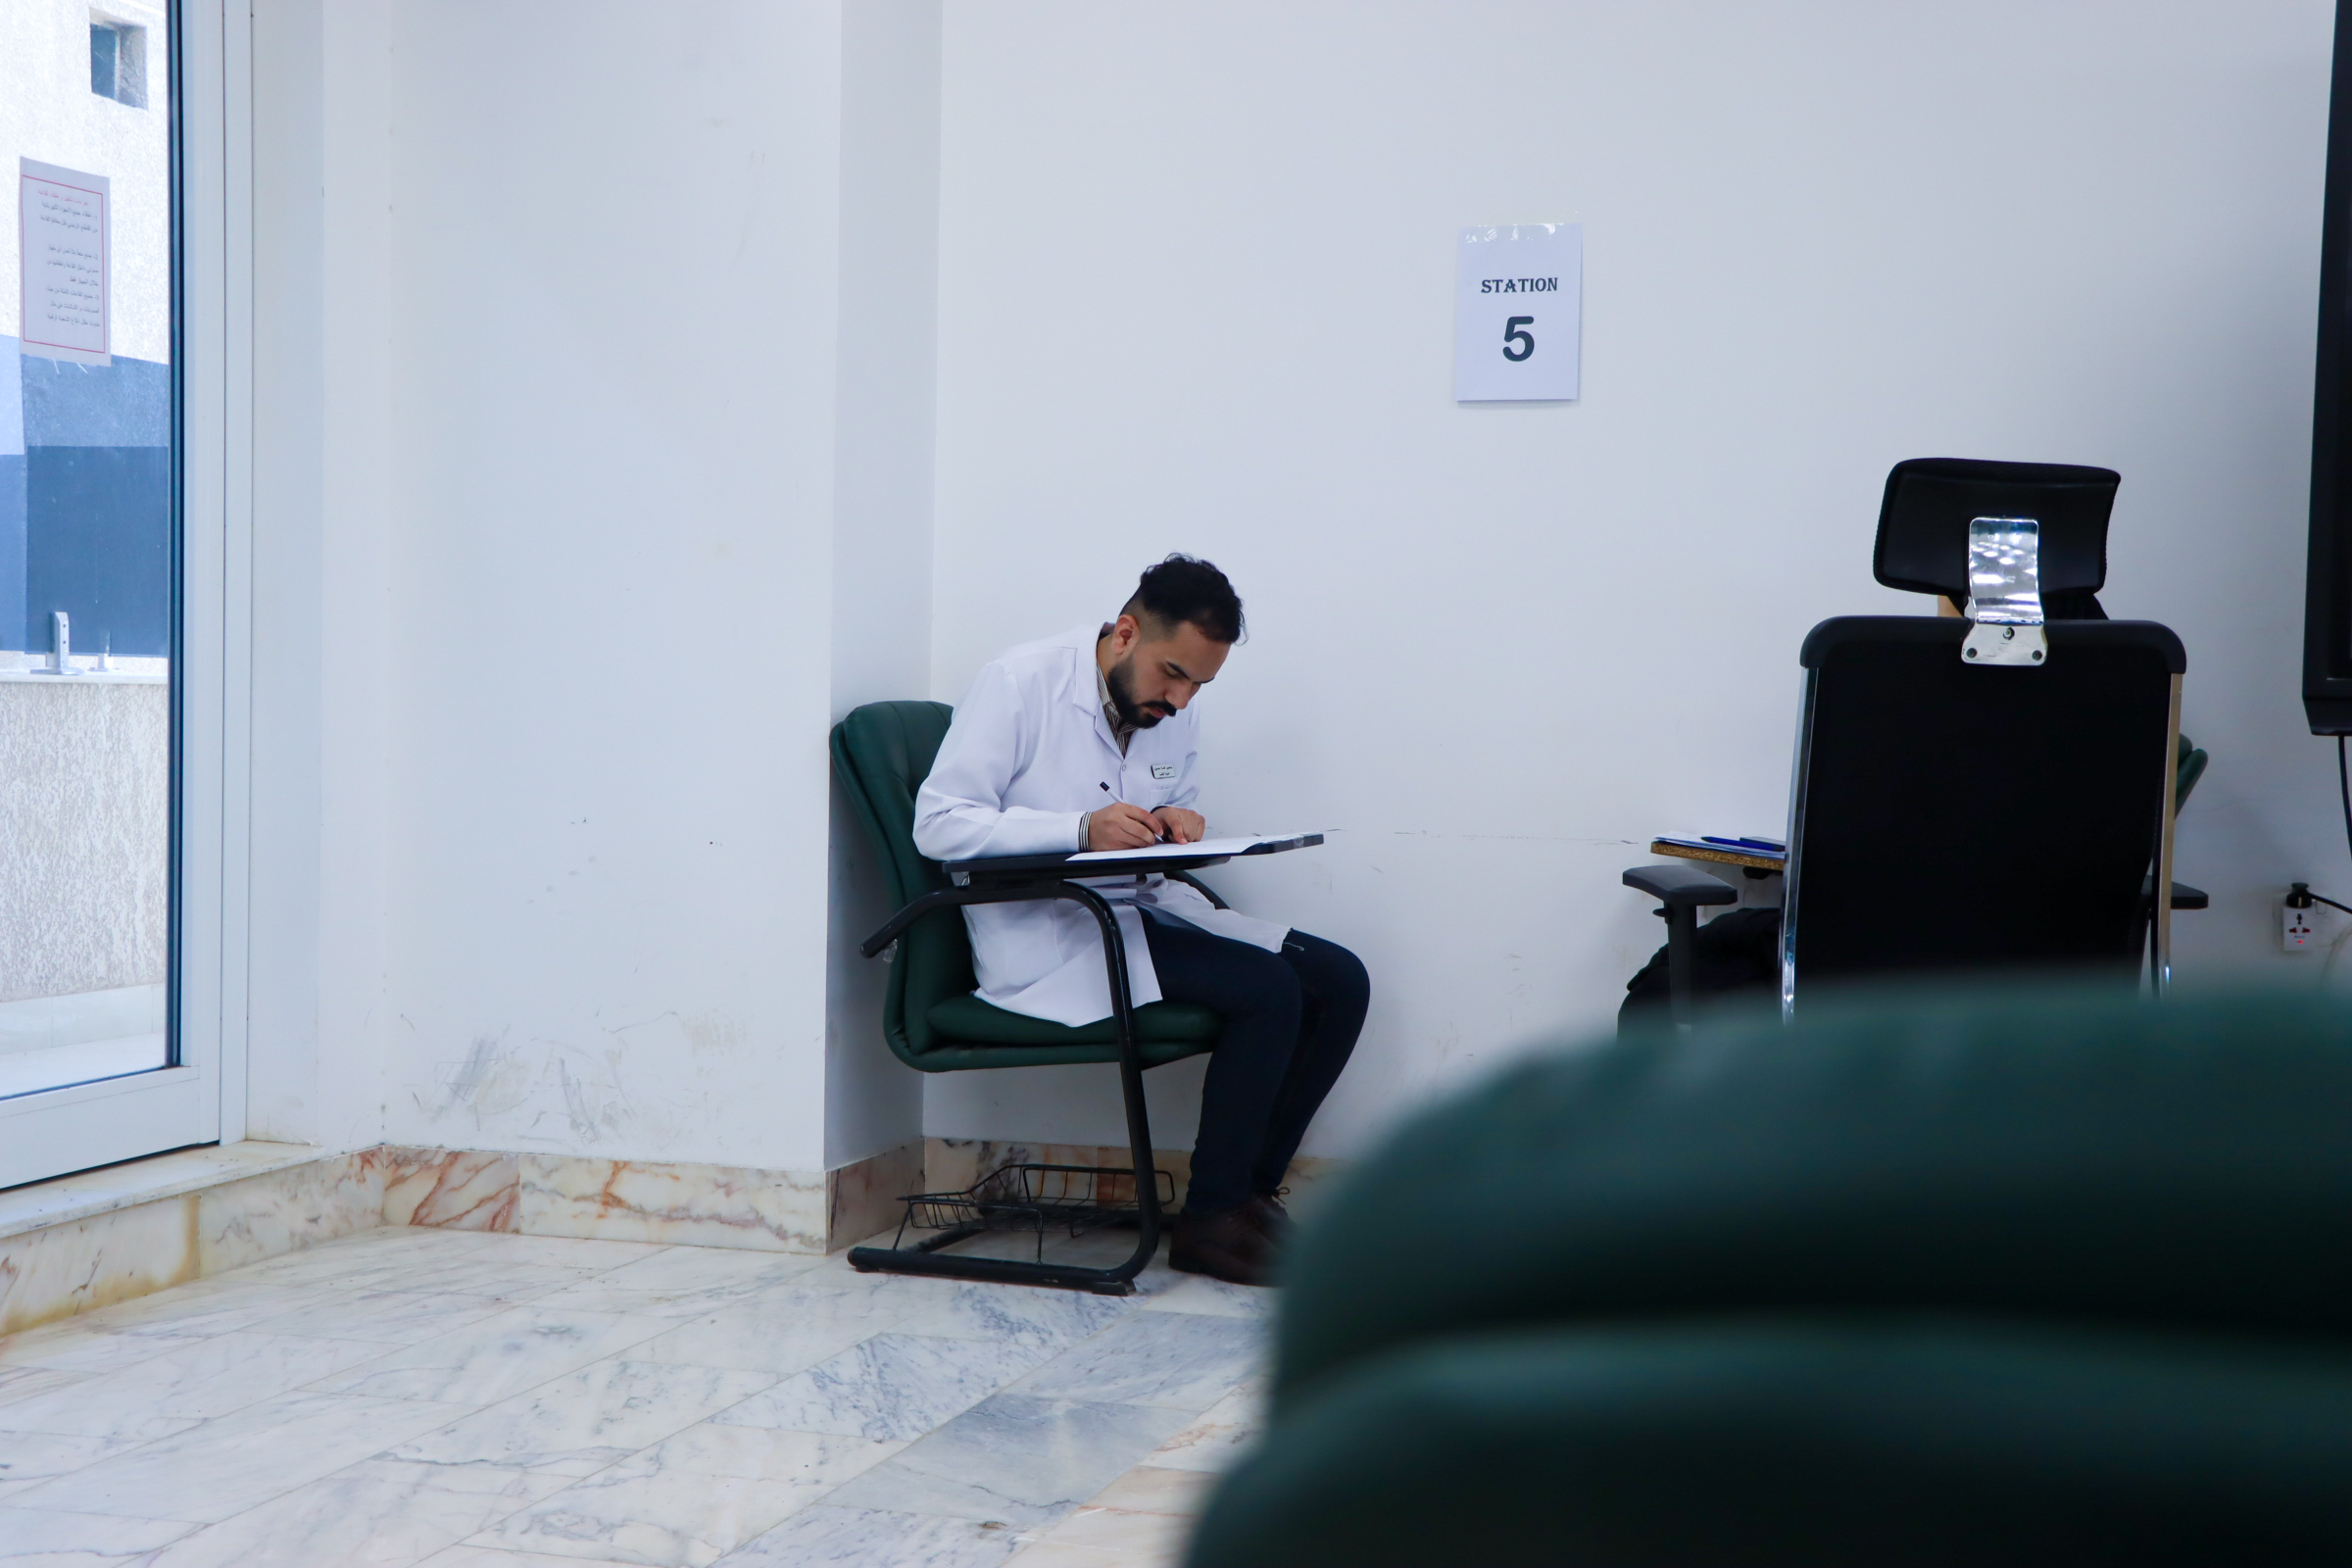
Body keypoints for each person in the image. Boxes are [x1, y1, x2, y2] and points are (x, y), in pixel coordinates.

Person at [914, 555, 1369, 1287]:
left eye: (1199, 685)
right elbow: (939, 825)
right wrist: (1080, 829)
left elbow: (1167, 793)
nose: (1181, 700)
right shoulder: (1020, 682)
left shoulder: (1168, 707)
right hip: (1054, 927)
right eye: (1173, 674)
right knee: (1268, 989)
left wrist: (1175, 820)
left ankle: (1249, 1199)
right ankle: (1212, 1218)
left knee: (1340, 979)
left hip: (1138, 906)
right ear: (1125, 633)